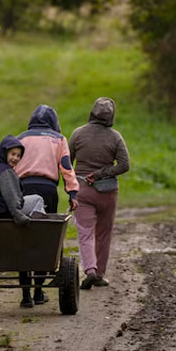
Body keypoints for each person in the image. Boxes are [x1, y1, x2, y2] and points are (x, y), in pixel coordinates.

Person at [15, 104, 80, 307]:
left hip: (22, 190)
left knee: (22, 237)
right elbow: (67, 168)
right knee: (44, 238)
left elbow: (10, 167)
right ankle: (38, 291)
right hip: (47, 190)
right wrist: (72, 193)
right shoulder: (59, 139)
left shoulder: (20, 138)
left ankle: (25, 295)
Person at [69, 97, 130, 290]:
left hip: (82, 190)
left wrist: (71, 185)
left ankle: (90, 271)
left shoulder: (77, 134)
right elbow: (124, 165)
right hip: (107, 192)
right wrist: (102, 173)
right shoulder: (115, 137)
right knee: (104, 233)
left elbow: (67, 162)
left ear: (92, 113)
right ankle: (100, 275)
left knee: (85, 233)